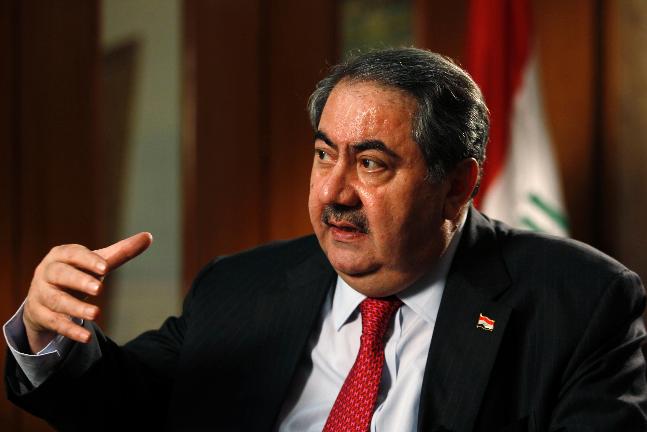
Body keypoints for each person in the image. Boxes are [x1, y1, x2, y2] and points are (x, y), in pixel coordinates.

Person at [4, 48, 647, 431]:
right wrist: (46, 331)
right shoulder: (240, 288)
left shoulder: (579, 303)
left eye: (370, 163)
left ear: (457, 185)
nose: (333, 192)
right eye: (322, 155)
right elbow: (123, 405)